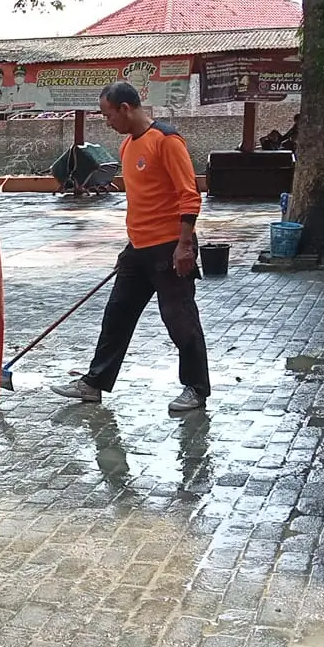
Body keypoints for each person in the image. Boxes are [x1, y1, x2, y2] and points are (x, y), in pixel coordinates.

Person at [52, 82, 211, 413]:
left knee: (179, 319)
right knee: (117, 315)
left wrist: (184, 245)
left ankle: (196, 388)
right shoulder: (127, 147)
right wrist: (130, 246)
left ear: (126, 108)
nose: (106, 121)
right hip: (138, 249)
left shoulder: (166, 141)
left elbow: (189, 194)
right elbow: (143, 200)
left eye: (108, 114)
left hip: (170, 247)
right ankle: (94, 383)